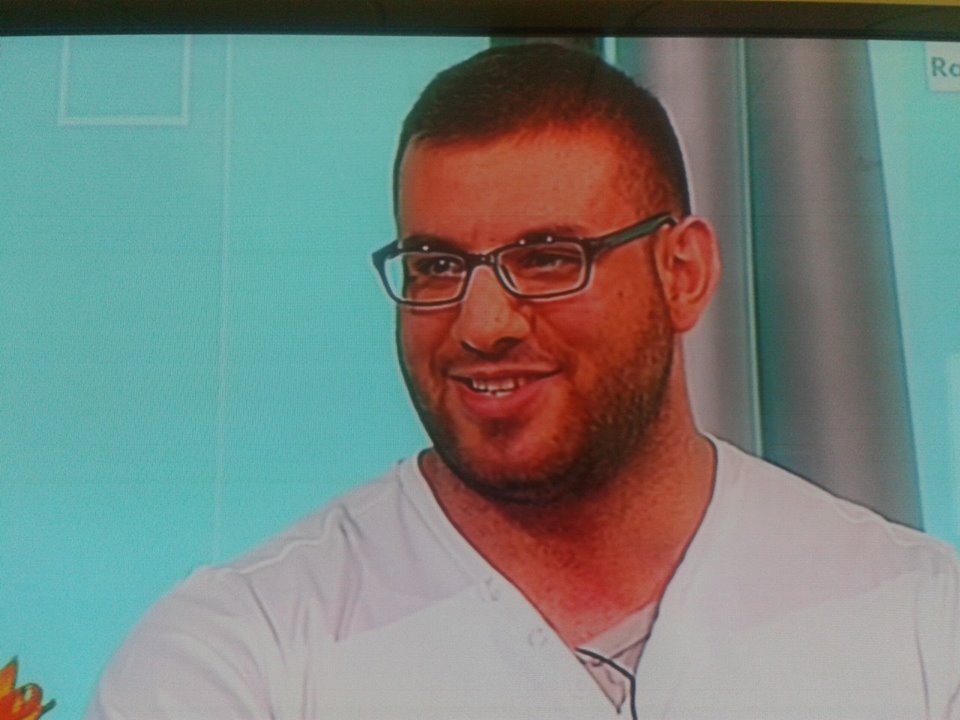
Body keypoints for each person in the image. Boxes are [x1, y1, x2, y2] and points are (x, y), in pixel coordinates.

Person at [88, 43, 960, 720]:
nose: (482, 325)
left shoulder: (921, 624)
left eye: (548, 258)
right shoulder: (239, 655)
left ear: (683, 272)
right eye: (436, 266)